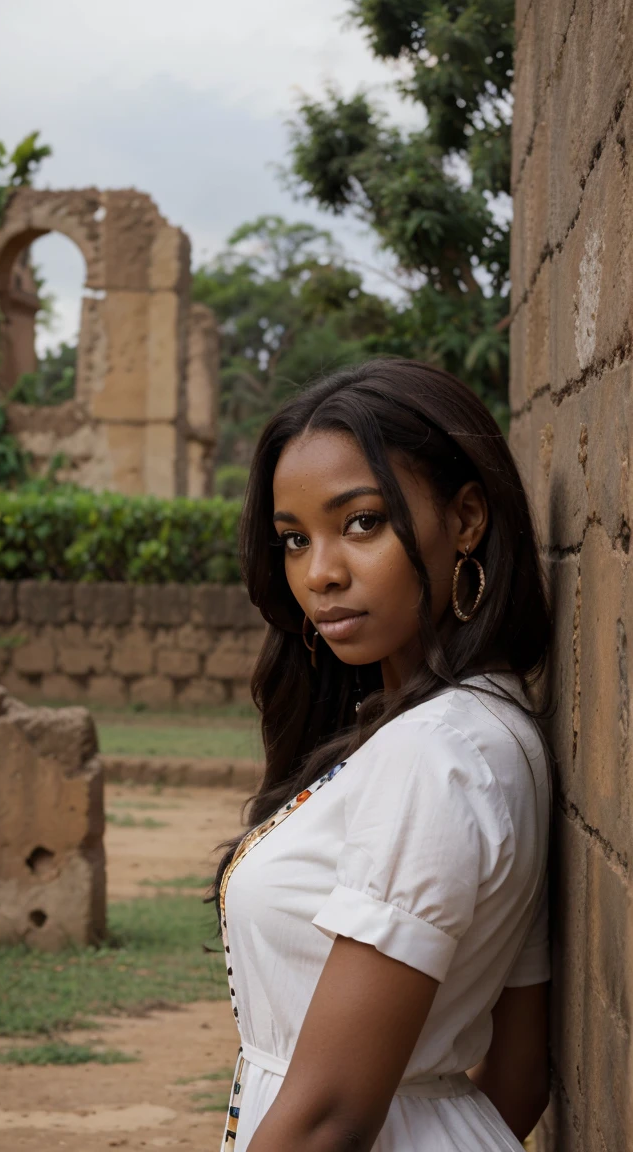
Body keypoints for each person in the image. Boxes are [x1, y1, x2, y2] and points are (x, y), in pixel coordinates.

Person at [212, 359, 552, 1152]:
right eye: (294, 540)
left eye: (361, 522)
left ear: (467, 518)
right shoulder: (472, 729)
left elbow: (330, 1118)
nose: (320, 573)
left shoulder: (438, 755)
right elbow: (520, 1074)